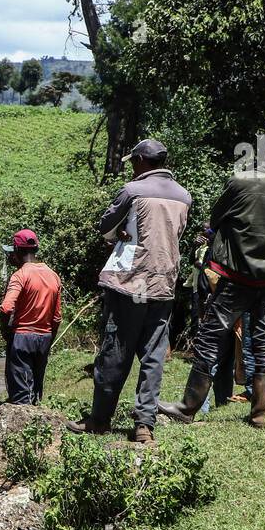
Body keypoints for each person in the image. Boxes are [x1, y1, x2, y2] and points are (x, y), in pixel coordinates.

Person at [159, 132, 265, 428]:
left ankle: (188, 406)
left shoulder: (240, 181)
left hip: (236, 276)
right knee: (264, 341)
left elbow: (216, 216)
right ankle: (259, 412)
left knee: (211, 338)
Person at [68, 138, 190, 443]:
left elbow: (105, 225)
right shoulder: (184, 196)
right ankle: (144, 426)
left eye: (133, 161)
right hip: (164, 286)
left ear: (140, 161)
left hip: (129, 285)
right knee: (153, 357)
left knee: (115, 352)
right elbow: (174, 236)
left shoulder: (132, 190)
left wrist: (120, 233)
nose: (133, 167)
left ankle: (99, 420)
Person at [0, 229, 62, 407]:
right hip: (45, 337)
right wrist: (50, 339)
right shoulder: (53, 275)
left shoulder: (20, 275)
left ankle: (20, 423)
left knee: (20, 393)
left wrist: (5, 332)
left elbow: (7, 307)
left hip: (22, 337)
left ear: (17, 250)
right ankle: (37, 423)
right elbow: (56, 317)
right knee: (36, 387)